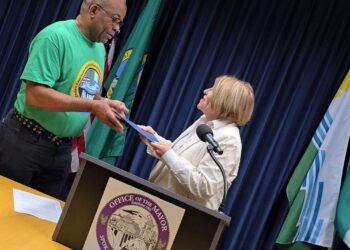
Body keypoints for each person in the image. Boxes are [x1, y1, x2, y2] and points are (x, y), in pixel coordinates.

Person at [0, 0, 128, 199]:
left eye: (120, 23)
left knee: (39, 223)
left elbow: (81, 89)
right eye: (115, 20)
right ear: (94, 10)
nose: (117, 28)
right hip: (25, 142)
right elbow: (35, 95)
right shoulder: (55, 37)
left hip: (61, 151)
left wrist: (103, 102)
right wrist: (93, 106)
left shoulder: (99, 49)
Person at [139, 75, 255, 210]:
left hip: (179, 215)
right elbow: (179, 155)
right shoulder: (203, 122)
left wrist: (168, 154)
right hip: (158, 206)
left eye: (213, 90)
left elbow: (204, 186)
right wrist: (154, 138)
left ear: (225, 101)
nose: (206, 90)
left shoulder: (229, 140)